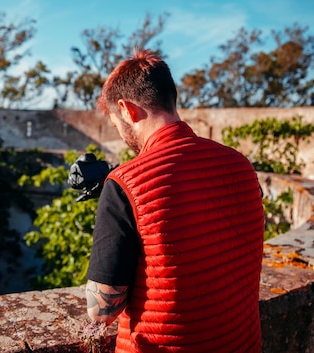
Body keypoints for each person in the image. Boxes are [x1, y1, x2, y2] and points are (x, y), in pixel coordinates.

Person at [85, 49, 264, 353]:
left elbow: (102, 311)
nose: (123, 136)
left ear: (127, 110)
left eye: (117, 124)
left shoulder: (124, 185)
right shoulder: (240, 165)